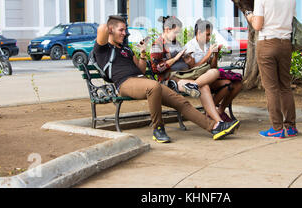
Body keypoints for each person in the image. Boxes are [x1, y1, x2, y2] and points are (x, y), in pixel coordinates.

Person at [92, 15, 240, 143]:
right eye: (121, 30)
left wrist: (142, 54)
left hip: (142, 81)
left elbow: (141, 69)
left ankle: (215, 127)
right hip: (124, 84)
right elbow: (103, 27)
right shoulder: (103, 49)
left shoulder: (125, 49)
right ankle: (158, 129)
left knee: (181, 102)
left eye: (125, 30)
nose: (125, 33)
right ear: (111, 30)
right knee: (153, 86)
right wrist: (112, 24)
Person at [150, 16, 241, 132]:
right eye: (176, 32)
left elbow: (188, 65)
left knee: (214, 72)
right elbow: (156, 69)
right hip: (171, 79)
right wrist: (176, 58)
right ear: (167, 29)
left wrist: (188, 61)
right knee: (205, 86)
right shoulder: (157, 45)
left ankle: (219, 123)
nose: (178, 35)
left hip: (187, 74)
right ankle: (219, 122)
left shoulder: (176, 43)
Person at [244, 0, 297, 139]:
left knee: (271, 88)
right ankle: (290, 126)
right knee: (285, 86)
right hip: (285, 43)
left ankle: (276, 127)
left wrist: (250, 17)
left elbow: (258, 25)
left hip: (267, 43)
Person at [184, 19, 243, 122]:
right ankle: (210, 112)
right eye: (207, 35)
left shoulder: (207, 45)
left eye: (210, 34)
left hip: (210, 77)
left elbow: (213, 67)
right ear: (199, 33)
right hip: (198, 80)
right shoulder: (190, 46)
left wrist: (215, 55)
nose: (209, 37)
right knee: (227, 85)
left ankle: (219, 111)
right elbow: (192, 69)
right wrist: (208, 55)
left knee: (237, 84)